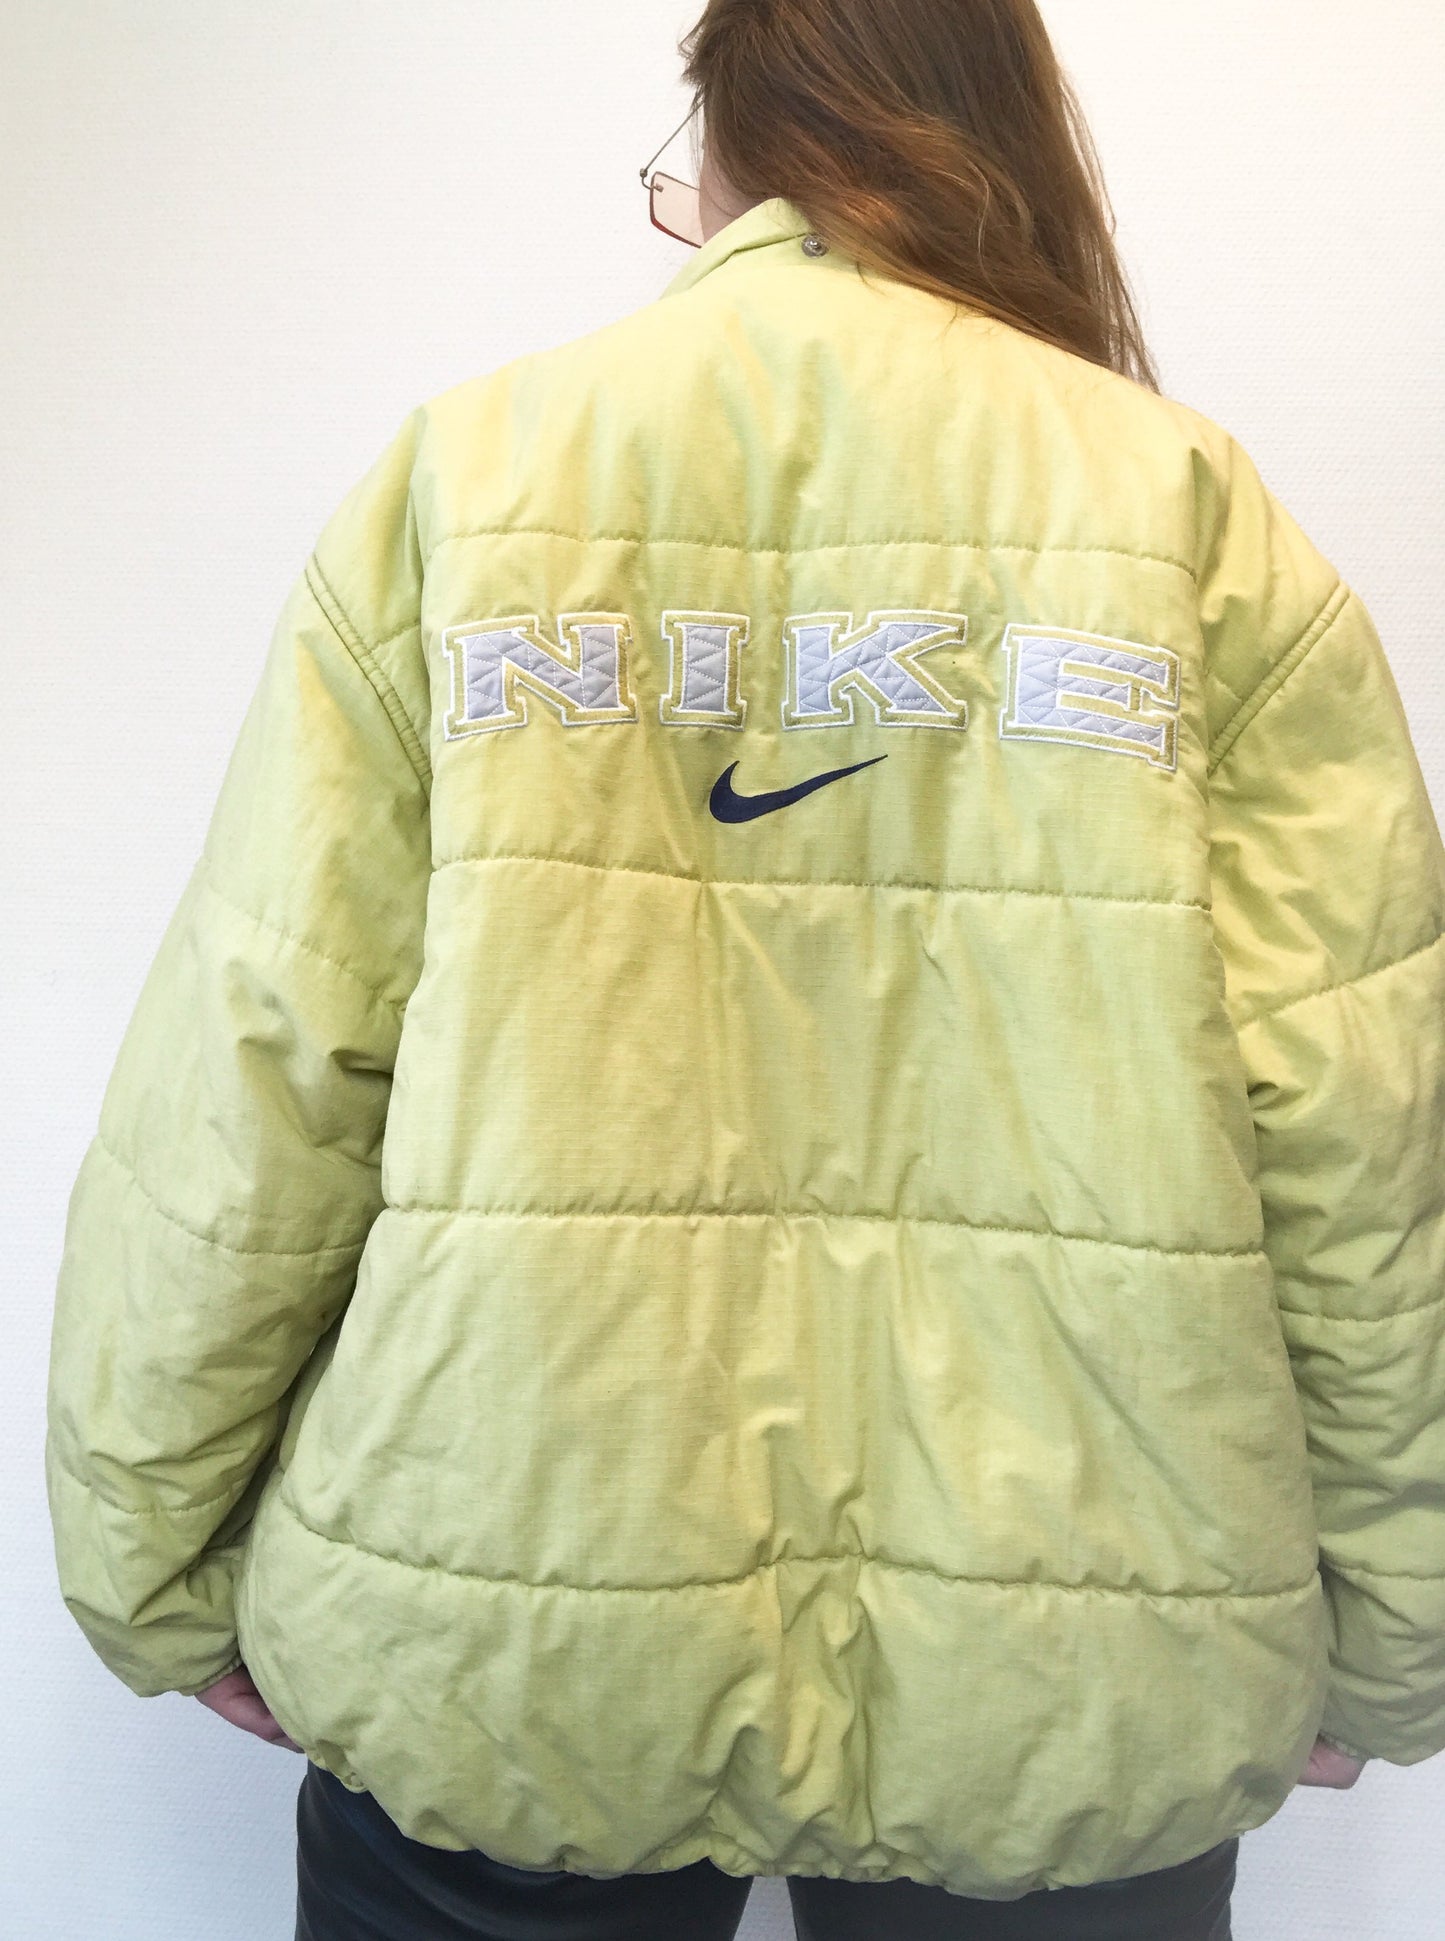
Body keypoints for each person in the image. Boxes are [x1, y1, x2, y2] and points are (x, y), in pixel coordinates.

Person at [44, 1, 1445, 1936]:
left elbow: (265, 1055)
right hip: (1075, 1640)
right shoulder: (1191, 519)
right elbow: (1364, 1137)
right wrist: (1393, 1630)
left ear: (730, 149)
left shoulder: (478, 480)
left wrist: (152, 1548)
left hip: (515, 1607)